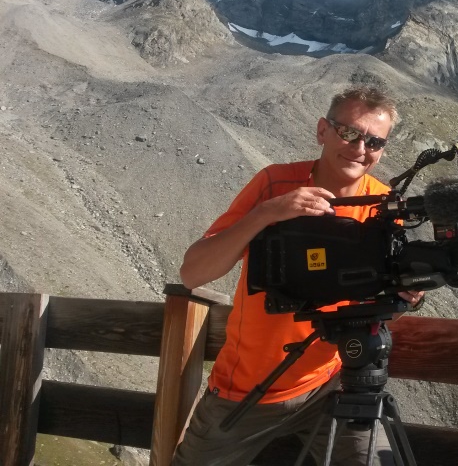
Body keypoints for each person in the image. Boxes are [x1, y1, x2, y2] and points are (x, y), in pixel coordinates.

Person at [173, 86, 424, 466]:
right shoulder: (275, 184)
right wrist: (266, 214)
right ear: (323, 130)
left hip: (334, 385)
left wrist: (407, 295)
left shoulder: (383, 204)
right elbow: (192, 273)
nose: (360, 148)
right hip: (247, 389)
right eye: (349, 133)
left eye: (374, 141)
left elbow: (379, 301)